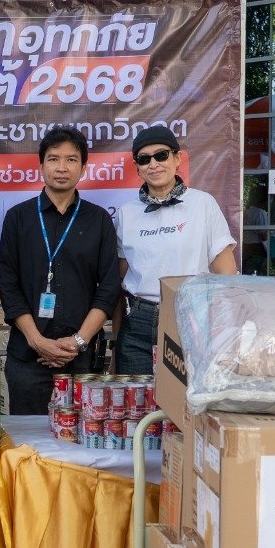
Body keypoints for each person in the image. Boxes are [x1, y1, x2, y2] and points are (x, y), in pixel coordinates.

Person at [0, 126, 121, 416]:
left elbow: (108, 288)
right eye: (53, 159)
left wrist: (78, 342)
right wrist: (37, 341)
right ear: (41, 166)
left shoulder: (99, 220)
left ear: (84, 168)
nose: (61, 167)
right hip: (28, 358)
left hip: (81, 359)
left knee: (84, 437)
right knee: (29, 439)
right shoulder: (18, 218)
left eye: (71, 159)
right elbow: (9, 286)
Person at [112, 125, 237, 375]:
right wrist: (115, 345)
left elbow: (227, 275)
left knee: (184, 398)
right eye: (144, 159)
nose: (154, 164)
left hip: (191, 318)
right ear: (137, 167)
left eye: (161, 155)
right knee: (139, 398)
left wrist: (225, 337)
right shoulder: (126, 213)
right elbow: (118, 283)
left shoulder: (203, 204)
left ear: (177, 158)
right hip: (138, 323)